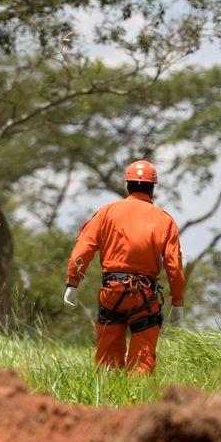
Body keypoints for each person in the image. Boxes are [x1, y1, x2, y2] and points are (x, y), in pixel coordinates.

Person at [63, 160, 185, 375]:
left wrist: (73, 283)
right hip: (144, 296)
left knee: (107, 364)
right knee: (142, 363)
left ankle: (107, 402)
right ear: (153, 188)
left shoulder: (106, 212)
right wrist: (177, 301)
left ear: (128, 185)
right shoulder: (165, 220)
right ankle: (136, 404)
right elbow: (173, 265)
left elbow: (82, 250)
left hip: (111, 291)